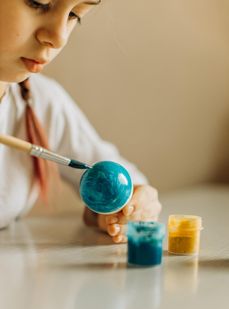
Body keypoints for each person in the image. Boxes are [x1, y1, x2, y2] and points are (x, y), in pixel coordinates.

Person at [0, 0, 161, 243]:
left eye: (75, 15)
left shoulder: (40, 101)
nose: (59, 37)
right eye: (39, 3)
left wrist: (121, 211)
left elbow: (119, 178)